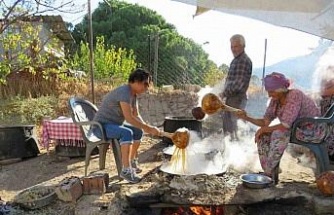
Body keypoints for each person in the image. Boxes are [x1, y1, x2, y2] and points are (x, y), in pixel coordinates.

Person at [235, 72, 320, 181]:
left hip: (312, 130)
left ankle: (269, 173)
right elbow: (265, 122)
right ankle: (270, 170)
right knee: (263, 135)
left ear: (281, 89)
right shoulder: (275, 100)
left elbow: (285, 125)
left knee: (279, 133)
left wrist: (264, 129)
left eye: (271, 92)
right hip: (296, 130)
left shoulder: (295, 95)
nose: (269, 95)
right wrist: (247, 117)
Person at [92, 68, 160, 183]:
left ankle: (132, 160)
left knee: (138, 131)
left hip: (113, 125)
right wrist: (148, 128)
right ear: (136, 81)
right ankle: (126, 170)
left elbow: (136, 115)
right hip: (101, 127)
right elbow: (129, 118)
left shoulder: (133, 95)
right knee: (127, 132)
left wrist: (147, 127)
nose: (147, 88)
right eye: (145, 84)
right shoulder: (124, 92)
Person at [219, 34, 252, 141]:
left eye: (236, 46)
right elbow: (230, 81)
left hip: (237, 99)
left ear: (243, 46)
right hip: (232, 99)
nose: (233, 49)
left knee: (234, 128)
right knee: (229, 127)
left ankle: (236, 152)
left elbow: (238, 84)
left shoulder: (243, 60)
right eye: (232, 47)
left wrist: (223, 93)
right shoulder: (236, 60)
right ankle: (230, 152)